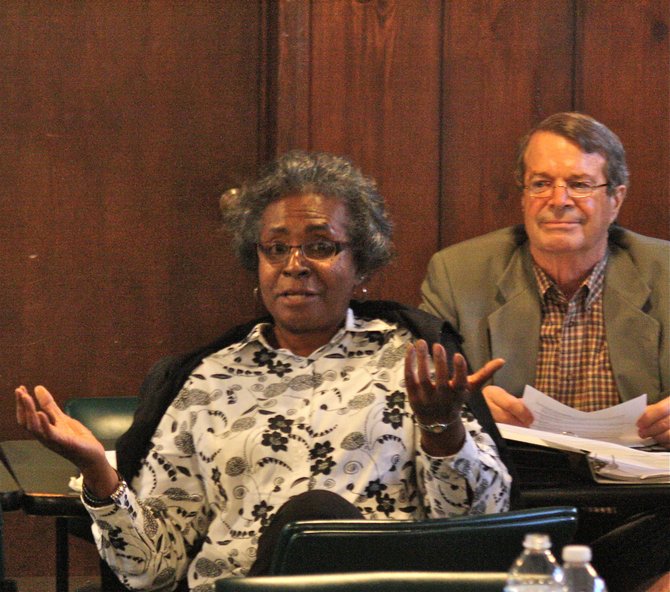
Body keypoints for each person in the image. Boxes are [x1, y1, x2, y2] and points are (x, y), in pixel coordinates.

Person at [16, 150, 512, 592]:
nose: (294, 264)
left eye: (320, 246)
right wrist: (97, 471)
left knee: (318, 519)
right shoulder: (205, 381)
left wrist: (442, 428)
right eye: (276, 248)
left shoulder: (416, 363)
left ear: (361, 264)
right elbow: (152, 572)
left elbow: (477, 528)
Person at [420, 112, 669, 591]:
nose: (559, 201)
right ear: (522, 195)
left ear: (615, 199)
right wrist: (468, 409)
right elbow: (425, 394)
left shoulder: (666, 272)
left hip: (651, 511)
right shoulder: (459, 274)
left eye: (579, 184)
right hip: (515, 510)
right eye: (541, 183)